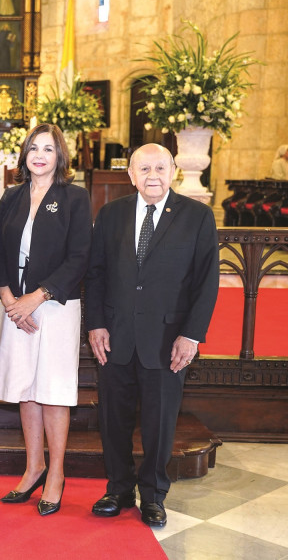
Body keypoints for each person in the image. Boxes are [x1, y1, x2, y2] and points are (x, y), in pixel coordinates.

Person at [85, 143, 219, 527]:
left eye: (160, 168)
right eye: (144, 169)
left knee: (160, 423)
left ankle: (154, 495)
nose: (153, 176)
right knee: (113, 420)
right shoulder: (110, 215)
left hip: (167, 339)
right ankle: (118, 489)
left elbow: (206, 282)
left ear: (174, 170)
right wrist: (95, 324)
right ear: (131, 175)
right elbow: (95, 275)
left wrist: (191, 335)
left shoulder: (197, 216)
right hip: (115, 337)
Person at [0, 124, 91, 516]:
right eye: (34, 148)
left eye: (48, 149)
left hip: (54, 306)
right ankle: (33, 467)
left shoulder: (75, 198)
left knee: (51, 388)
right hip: (14, 307)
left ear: (59, 156)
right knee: (25, 387)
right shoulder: (12, 196)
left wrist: (37, 297)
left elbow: (80, 255)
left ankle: (56, 474)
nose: (40, 155)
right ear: (24, 155)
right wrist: (8, 299)